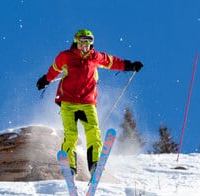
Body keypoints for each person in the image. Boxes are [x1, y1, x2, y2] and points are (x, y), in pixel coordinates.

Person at [36, 29, 143, 176]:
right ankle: (70, 168)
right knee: (71, 134)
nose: (84, 47)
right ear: (76, 42)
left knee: (93, 132)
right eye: (81, 43)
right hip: (68, 102)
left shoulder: (96, 57)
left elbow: (112, 62)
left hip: (87, 103)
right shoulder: (65, 56)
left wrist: (130, 65)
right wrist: (45, 80)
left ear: (91, 44)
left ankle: (94, 164)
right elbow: (54, 69)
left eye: (87, 43)